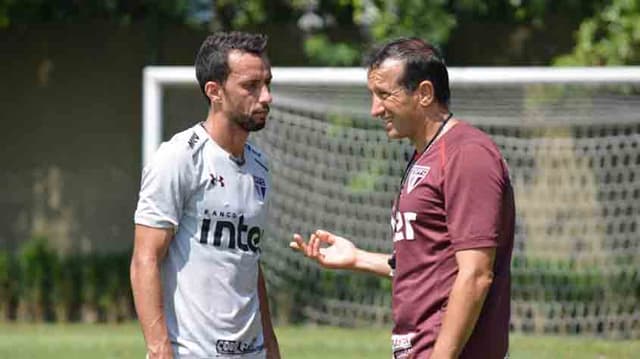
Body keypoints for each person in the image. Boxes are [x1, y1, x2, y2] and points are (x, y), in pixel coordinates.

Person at [291, 38, 515, 359]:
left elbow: (476, 274)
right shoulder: (423, 157)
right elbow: (432, 266)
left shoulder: (467, 154)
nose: (374, 109)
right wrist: (357, 259)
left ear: (424, 93)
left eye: (384, 94)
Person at [131, 31, 280, 359]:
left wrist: (270, 344)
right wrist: (158, 349)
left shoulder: (260, 167)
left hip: (252, 351)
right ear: (215, 91)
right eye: (251, 86)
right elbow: (145, 259)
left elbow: (249, 264)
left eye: (267, 83)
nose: (266, 96)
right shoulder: (179, 157)